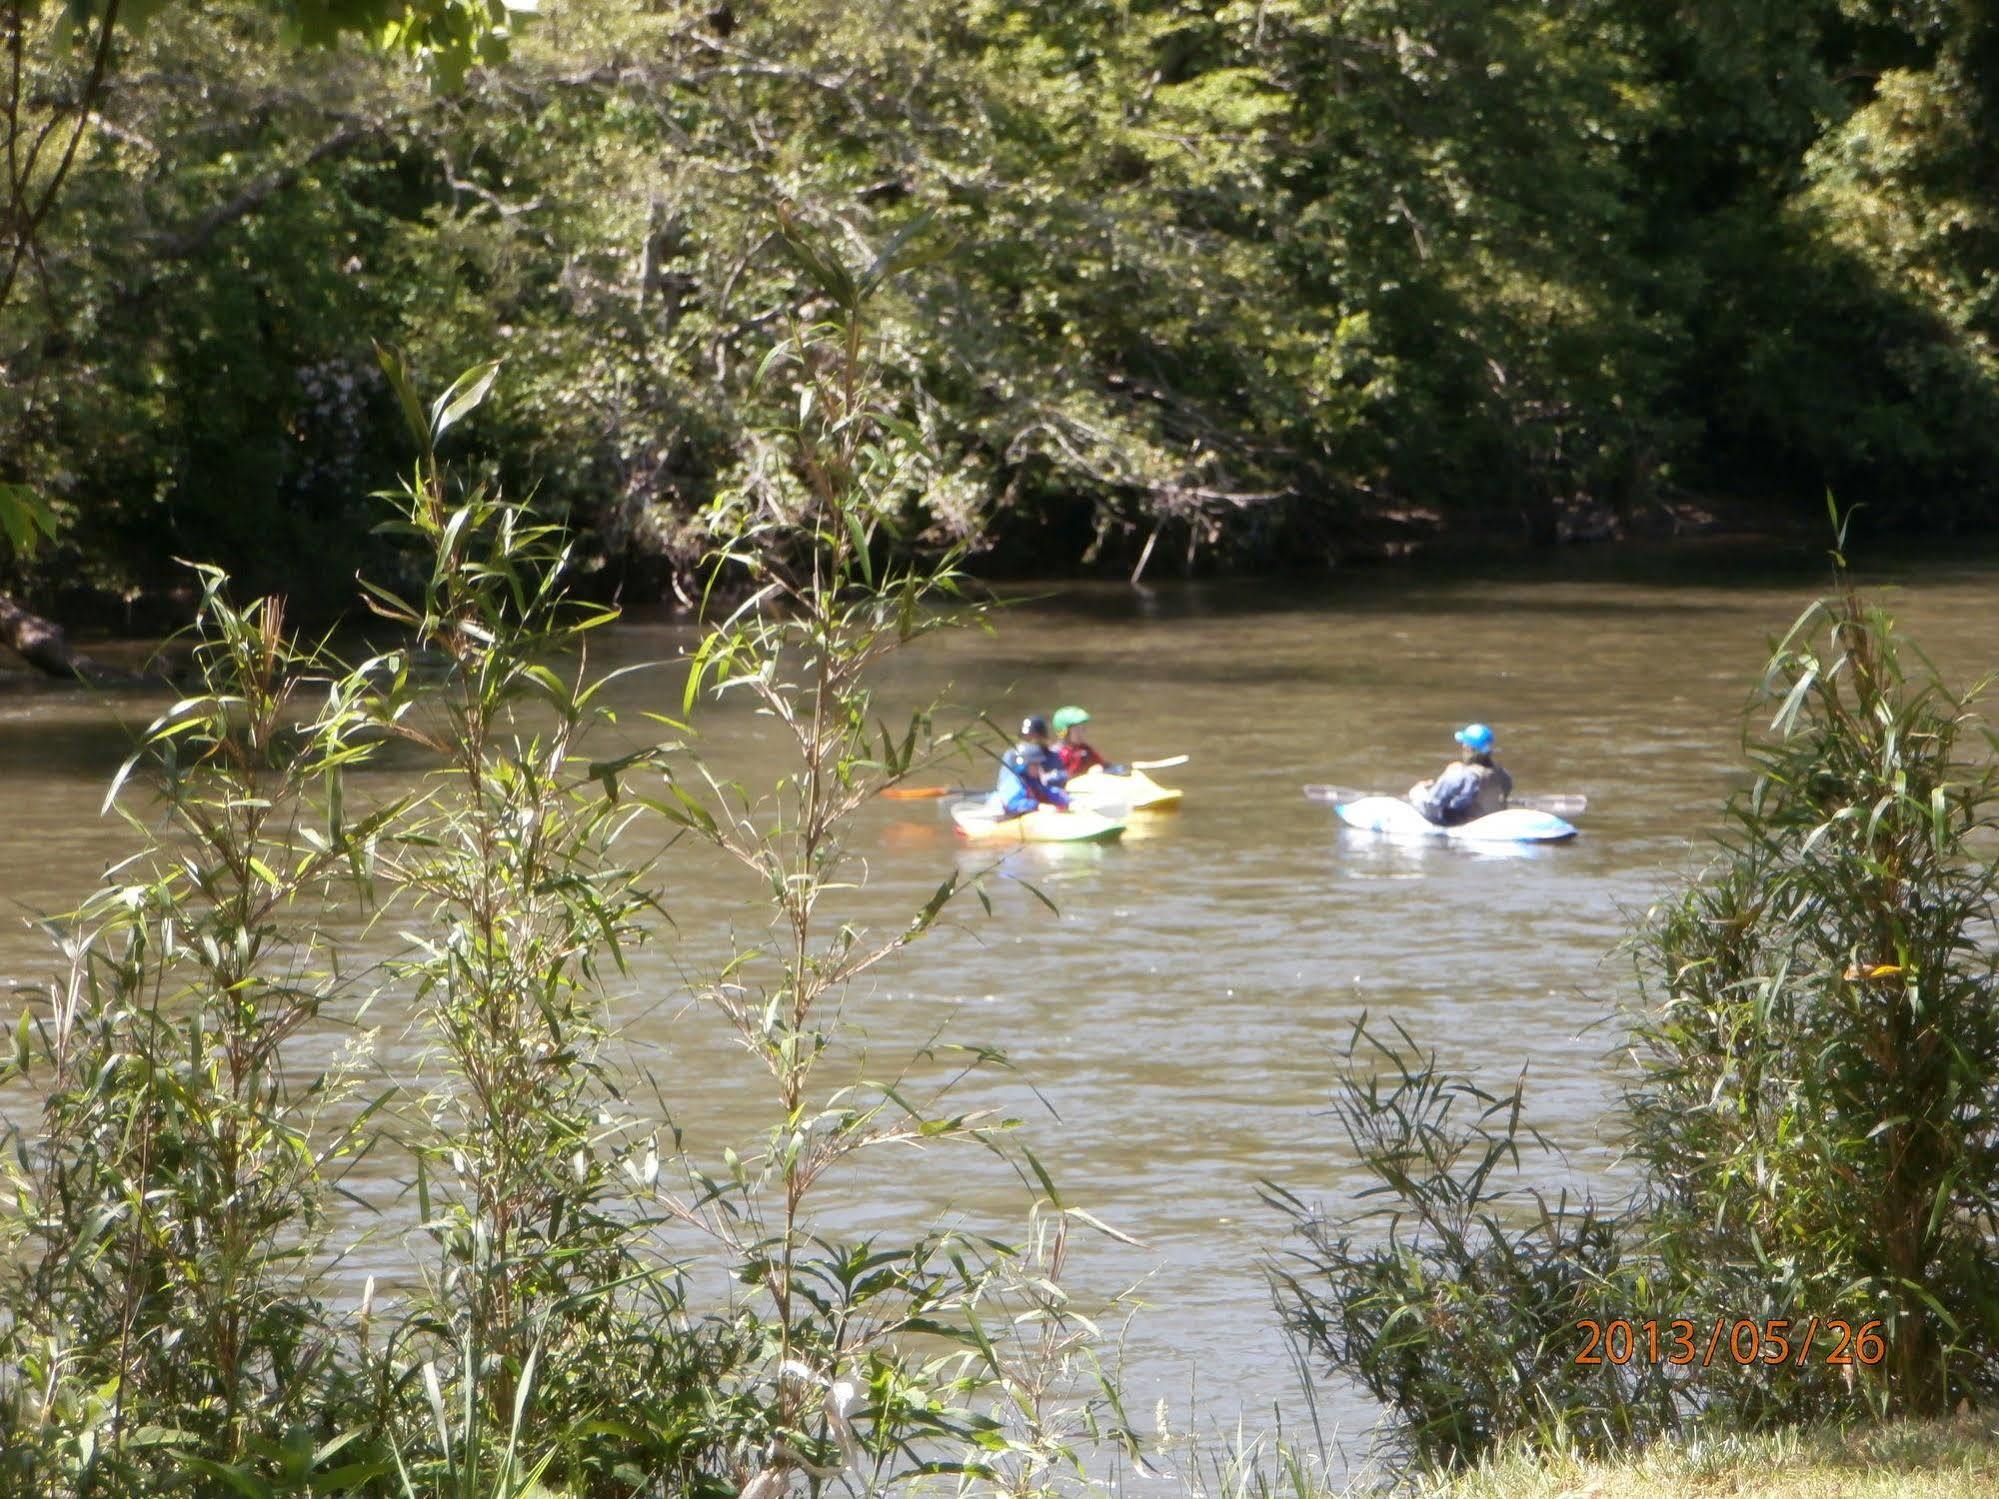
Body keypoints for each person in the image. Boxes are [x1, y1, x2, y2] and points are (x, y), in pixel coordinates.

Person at [1408, 723, 1513, 825]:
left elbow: (1431, 805)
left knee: (1417, 792)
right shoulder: (1503, 775)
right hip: (1489, 819)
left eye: (1464, 746)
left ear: (1469, 750)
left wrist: (1419, 792)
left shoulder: (1460, 775)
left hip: (1465, 823)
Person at [993, 714, 1071, 817]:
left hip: (1041, 798)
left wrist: (1049, 779)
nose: (1030, 741)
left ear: (1043, 738)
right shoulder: (1013, 757)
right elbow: (1006, 789)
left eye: (1034, 737)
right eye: (1026, 737)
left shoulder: (1051, 755)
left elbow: (1063, 777)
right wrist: (1037, 805)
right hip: (1021, 804)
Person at [1051, 705, 1126, 778]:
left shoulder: (1085, 750)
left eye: (1083, 728)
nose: (1082, 732)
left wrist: (1105, 770)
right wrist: (1088, 774)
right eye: (1077, 729)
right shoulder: (1055, 754)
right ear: (1064, 732)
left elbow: (1108, 767)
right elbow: (1055, 778)